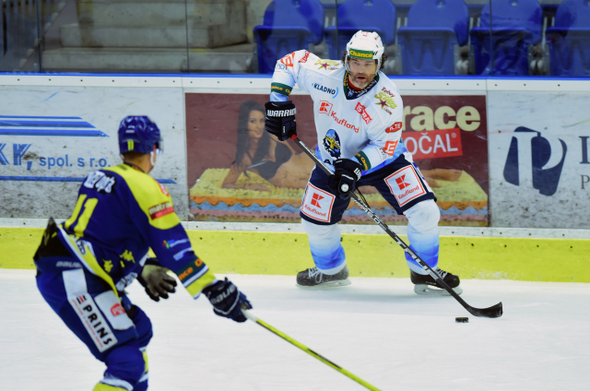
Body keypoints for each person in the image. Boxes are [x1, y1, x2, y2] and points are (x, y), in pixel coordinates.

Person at [34, 116, 252, 391]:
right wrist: (213, 287)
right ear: (154, 150)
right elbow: (173, 248)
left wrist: (141, 268)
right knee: (127, 364)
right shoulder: (147, 187)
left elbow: (107, 238)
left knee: (139, 328)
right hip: (75, 278)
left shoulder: (100, 177)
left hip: (67, 267)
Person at [264, 30, 462, 295]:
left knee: (425, 212)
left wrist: (356, 165)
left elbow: (385, 146)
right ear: (346, 59)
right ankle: (331, 271)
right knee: (313, 222)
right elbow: (290, 62)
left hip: (384, 162)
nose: (361, 70)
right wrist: (279, 104)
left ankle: (425, 272)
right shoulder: (325, 75)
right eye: (355, 62)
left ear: (380, 63)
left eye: (368, 64)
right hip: (332, 162)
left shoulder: (387, 100)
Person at [221, 99, 314, 191]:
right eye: (253, 121)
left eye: (262, 121)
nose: (259, 126)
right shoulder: (246, 158)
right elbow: (227, 184)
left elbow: (296, 156)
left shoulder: (272, 136)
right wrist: (249, 186)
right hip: (308, 183)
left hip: (314, 164)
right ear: (244, 124)